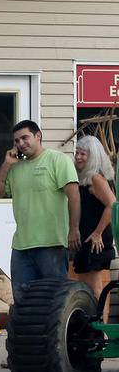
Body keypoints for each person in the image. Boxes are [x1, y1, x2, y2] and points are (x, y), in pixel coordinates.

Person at [0, 120, 80, 304]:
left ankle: (53, 334)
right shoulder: (15, 168)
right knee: (23, 301)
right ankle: (26, 334)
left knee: (54, 300)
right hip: (21, 247)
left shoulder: (57, 160)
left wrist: (73, 229)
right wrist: (7, 164)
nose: (21, 144)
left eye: (25, 138)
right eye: (16, 141)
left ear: (38, 136)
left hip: (52, 243)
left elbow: (74, 196)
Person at [72, 135, 116, 319]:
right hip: (87, 238)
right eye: (77, 153)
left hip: (95, 240)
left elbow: (112, 205)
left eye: (84, 154)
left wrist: (97, 233)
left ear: (94, 157)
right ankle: (95, 328)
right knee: (88, 285)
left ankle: (102, 331)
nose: (79, 157)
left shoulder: (96, 178)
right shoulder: (85, 179)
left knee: (95, 287)